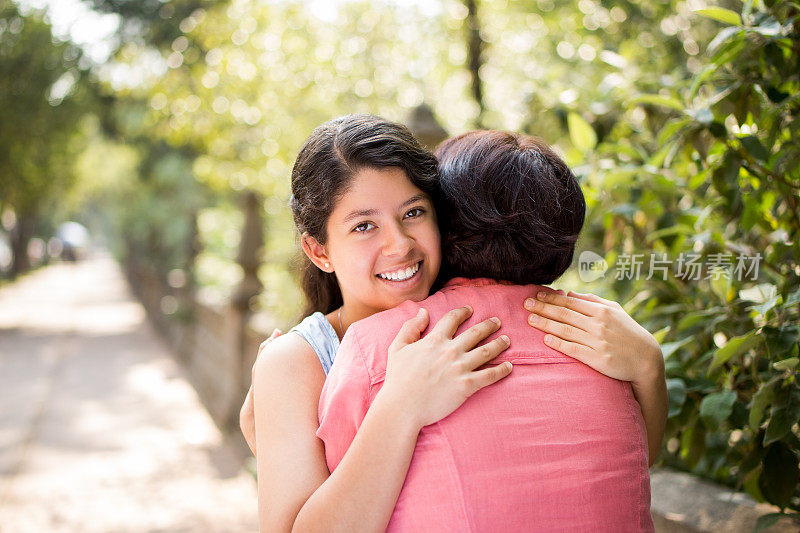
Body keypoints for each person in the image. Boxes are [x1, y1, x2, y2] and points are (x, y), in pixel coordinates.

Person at [242, 115, 665, 531]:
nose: (400, 243)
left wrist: (648, 364)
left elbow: (614, 467)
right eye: (364, 226)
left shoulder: (487, 320)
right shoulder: (298, 361)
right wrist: (400, 405)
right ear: (319, 252)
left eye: (413, 213)